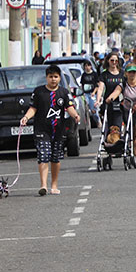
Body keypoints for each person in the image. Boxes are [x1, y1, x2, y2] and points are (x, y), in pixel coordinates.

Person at [20, 65, 80, 196]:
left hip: (58, 130)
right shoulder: (39, 92)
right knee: (43, 155)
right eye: (50, 77)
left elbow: (69, 107)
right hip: (42, 129)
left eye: (56, 77)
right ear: (46, 77)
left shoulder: (64, 93)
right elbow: (33, 108)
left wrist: (75, 115)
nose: (53, 79)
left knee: (55, 158)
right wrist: (26, 117)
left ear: (59, 78)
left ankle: (54, 184)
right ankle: (43, 185)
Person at [107, 63, 136, 165]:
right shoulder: (123, 85)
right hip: (128, 112)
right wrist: (110, 99)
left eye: (133, 72)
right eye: (130, 72)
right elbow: (116, 92)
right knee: (133, 134)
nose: (132, 74)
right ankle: (135, 155)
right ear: (126, 74)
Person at [95, 52, 124, 128]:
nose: (114, 62)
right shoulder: (104, 74)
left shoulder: (122, 73)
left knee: (118, 124)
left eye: (116, 61)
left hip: (120, 102)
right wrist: (98, 100)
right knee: (109, 124)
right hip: (108, 102)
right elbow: (101, 88)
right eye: (112, 60)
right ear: (108, 61)